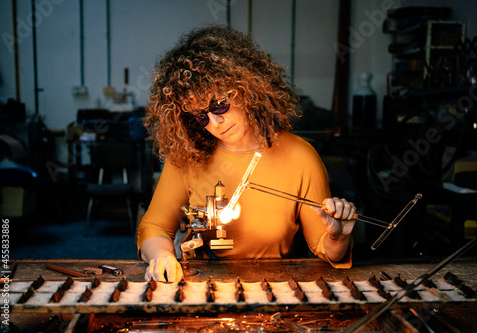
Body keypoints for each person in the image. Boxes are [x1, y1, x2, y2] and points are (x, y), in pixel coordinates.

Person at [137, 25, 357, 282]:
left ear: (246, 89)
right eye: (200, 117)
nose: (215, 122)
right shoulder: (187, 157)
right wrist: (161, 254)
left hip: (273, 287)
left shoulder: (300, 156)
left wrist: (338, 237)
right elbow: (153, 226)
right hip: (201, 283)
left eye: (219, 105)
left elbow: (326, 249)